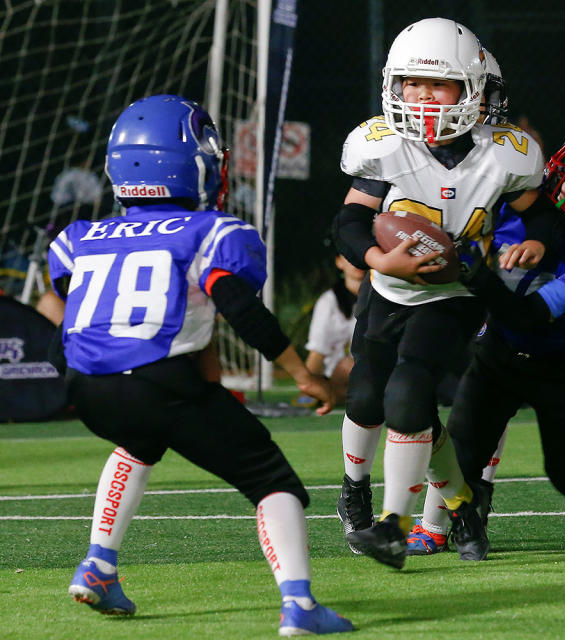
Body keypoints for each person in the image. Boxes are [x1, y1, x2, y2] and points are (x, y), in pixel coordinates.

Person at [49, 95, 353, 635]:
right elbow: (237, 306)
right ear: (194, 163)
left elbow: (83, 307)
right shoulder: (211, 231)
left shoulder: (77, 239)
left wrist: (202, 377)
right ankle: (300, 606)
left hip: (86, 387)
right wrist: (304, 375)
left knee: (138, 440)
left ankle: (97, 565)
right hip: (157, 381)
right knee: (273, 481)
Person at [332, 18, 557, 569]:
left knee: (408, 396)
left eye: (437, 84)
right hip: (386, 290)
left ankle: (394, 525)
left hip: (456, 292)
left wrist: (538, 244)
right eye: (411, 83)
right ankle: (437, 502)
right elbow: (348, 222)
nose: (421, 96)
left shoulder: (505, 153)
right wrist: (377, 259)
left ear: (472, 90)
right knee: (364, 397)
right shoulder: (383, 146)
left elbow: (543, 216)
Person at [426, 124, 565, 558]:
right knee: (460, 446)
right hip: (499, 350)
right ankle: (433, 528)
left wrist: (473, 273)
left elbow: (530, 316)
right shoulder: (515, 207)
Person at [407, 48, 513, 556]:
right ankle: (451, 507)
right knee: (413, 403)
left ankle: (452, 513)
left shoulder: (507, 157)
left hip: (487, 295)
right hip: (424, 299)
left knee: (480, 410)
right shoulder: (403, 149)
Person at [292, 254, 365, 410]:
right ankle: (333, 394)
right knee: (349, 366)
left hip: (374, 370)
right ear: (339, 262)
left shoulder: (383, 298)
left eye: (361, 254)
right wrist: (307, 388)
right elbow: (317, 352)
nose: (356, 260)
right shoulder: (328, 302)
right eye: (349, 255)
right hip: (337, 375)